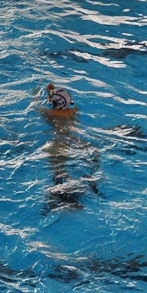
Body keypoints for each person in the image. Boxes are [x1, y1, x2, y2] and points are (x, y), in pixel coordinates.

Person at [38, 83, 98, 211]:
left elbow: (36, 105)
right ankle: (92, 184)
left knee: (58, 170)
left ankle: (59, 198)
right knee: (94, 156)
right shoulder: (73, 111)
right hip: (75, 140)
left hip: (59, 141)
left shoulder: (47, 113)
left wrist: (43, 91)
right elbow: (66, 102)